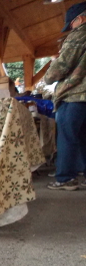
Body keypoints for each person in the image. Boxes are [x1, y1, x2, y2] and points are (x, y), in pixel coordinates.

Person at [44, 1, 86, 191]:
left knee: (67, 137)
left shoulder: (79, 35)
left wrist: (48, 76)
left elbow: (60, 68)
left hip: (75, 94)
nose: (70, 28)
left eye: (71, 24)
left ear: (80, 18)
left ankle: (65, 178)